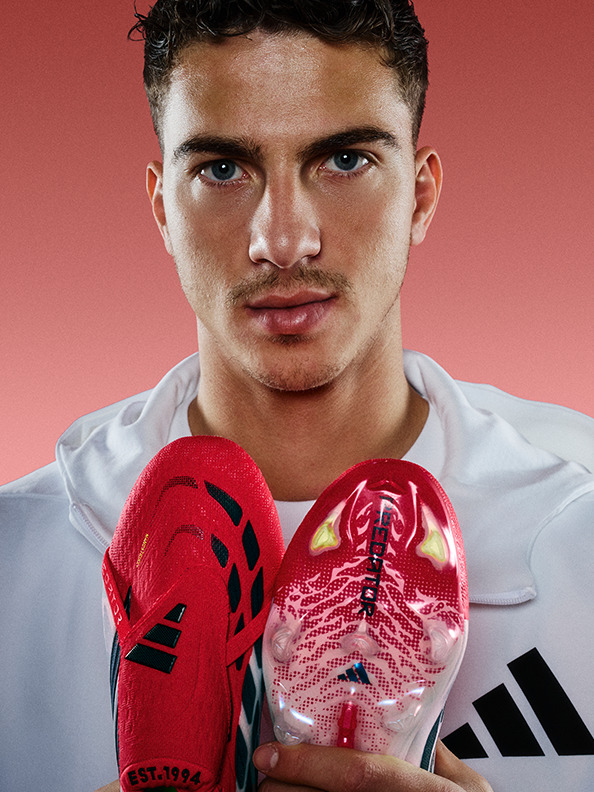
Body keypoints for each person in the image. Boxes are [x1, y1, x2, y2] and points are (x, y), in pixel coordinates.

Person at [0, 1, 592, 791]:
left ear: (420, 196)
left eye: (344, 160)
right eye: (222, 169)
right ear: (162, 210)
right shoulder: (15, 561)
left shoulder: (580, 528)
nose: (282, 240)